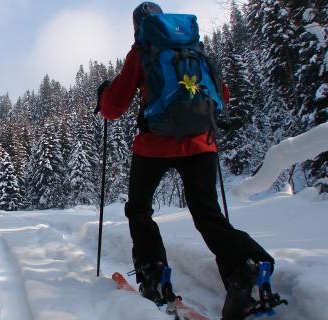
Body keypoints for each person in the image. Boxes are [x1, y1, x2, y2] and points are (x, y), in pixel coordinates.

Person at [97, 2, 275, 319]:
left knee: (139, 209)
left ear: (137, 26)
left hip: (155, 145)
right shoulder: (195, 48)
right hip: (201, 144)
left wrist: (104, 94)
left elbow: (114, 107)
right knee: (208, 213)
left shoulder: (142, 49)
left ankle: (154, 279)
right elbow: (222, 96)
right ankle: (245, 265)